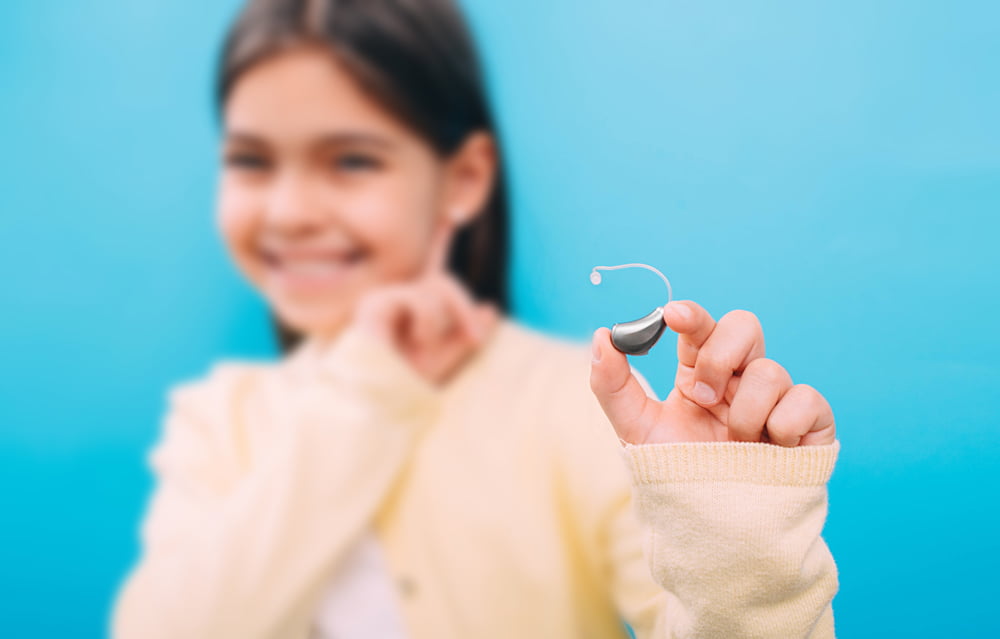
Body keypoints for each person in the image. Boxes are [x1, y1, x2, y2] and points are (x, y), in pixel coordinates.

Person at [111, 0, 841, 637]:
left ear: (463, 180)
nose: (291, 211)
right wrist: (365, 396)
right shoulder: (218, 421)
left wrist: (736, 544)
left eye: (353, 161)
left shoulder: (584, 412)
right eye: (251, 160)